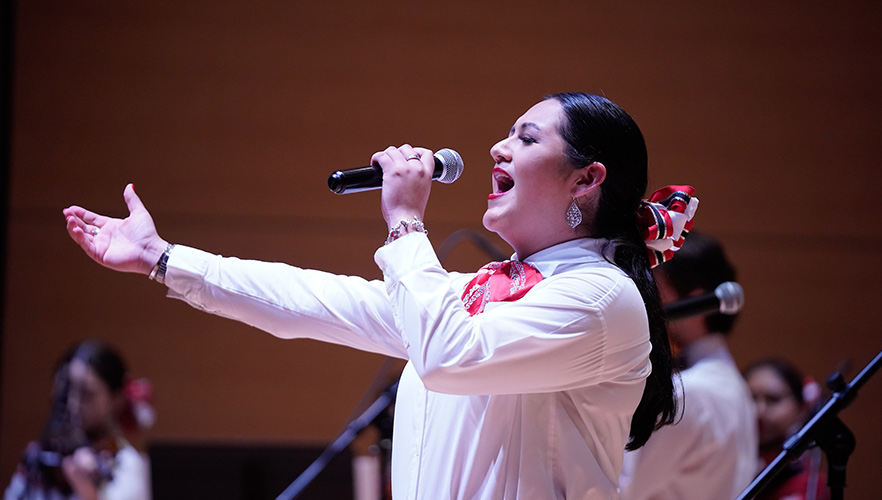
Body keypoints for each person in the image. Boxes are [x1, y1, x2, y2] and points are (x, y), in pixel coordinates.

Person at [62, 92, 694, 499]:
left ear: (586, 180)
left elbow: (451, 358)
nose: (498, 148)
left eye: (526, 139)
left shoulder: (603, 299)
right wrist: (162, 259)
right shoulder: (471, 292)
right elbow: (311, 302)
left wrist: (406, 223)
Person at [619, 231, 758, 500]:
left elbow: (621, 489)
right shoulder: (729, 382)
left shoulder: (691, 392)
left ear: (695, 300)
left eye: (654, 293)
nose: (645, 305)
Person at [4, 340, 153, 500]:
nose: (73, 404)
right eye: (67, 391)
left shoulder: (126, 466)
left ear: (116, 398)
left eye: (87, 394)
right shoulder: (42, 458)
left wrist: (88, 491)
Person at [744, 357, 828, 500]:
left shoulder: (812, 485)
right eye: (749, 399)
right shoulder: (724, 465)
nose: (758, 410)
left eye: (773, 399)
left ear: (802, 407)